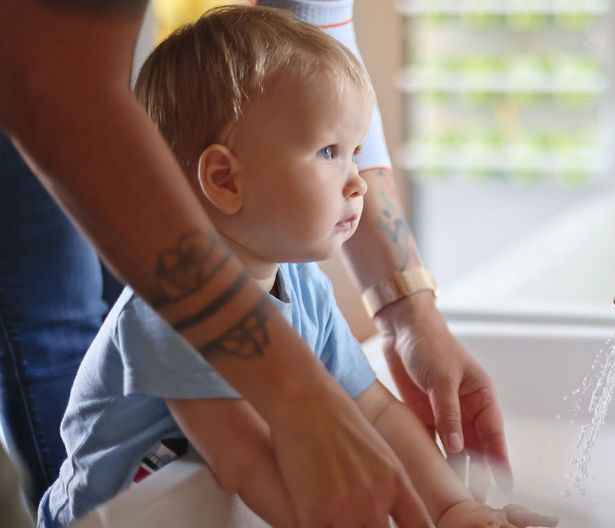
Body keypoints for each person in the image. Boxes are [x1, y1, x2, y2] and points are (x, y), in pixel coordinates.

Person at [37, 6, 557, 528]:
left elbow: (374, 414)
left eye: (356, 152)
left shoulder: (306, 288)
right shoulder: (168, 311)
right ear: (225, 179)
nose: (356, 182)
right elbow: (245, 460)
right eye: (329, 151)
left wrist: (452, 509)